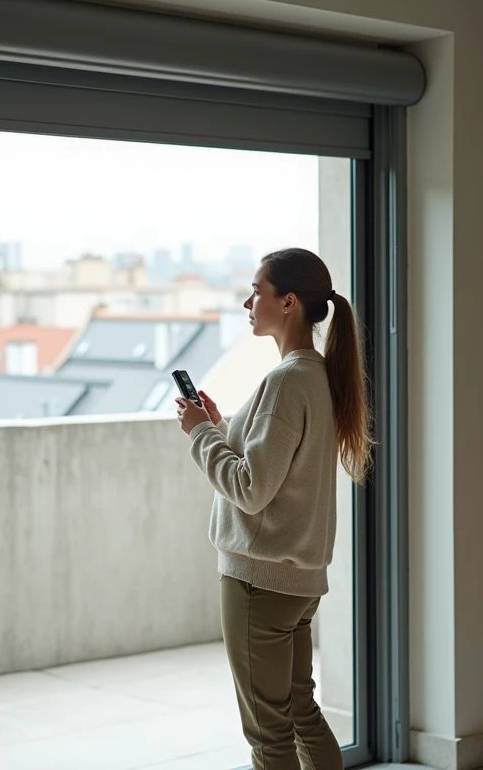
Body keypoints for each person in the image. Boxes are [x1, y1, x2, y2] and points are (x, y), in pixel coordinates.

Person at [175, 247, 373, 770]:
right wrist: (219, 428)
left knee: (268, 736)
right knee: (301, 714)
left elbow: (251, 489)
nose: (247, 301)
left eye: (257, 291)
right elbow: (272, 470)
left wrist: (200, 437)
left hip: (259, 584)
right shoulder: (316, 375)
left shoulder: (288, 381)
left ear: (287, 302)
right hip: (298, 582)